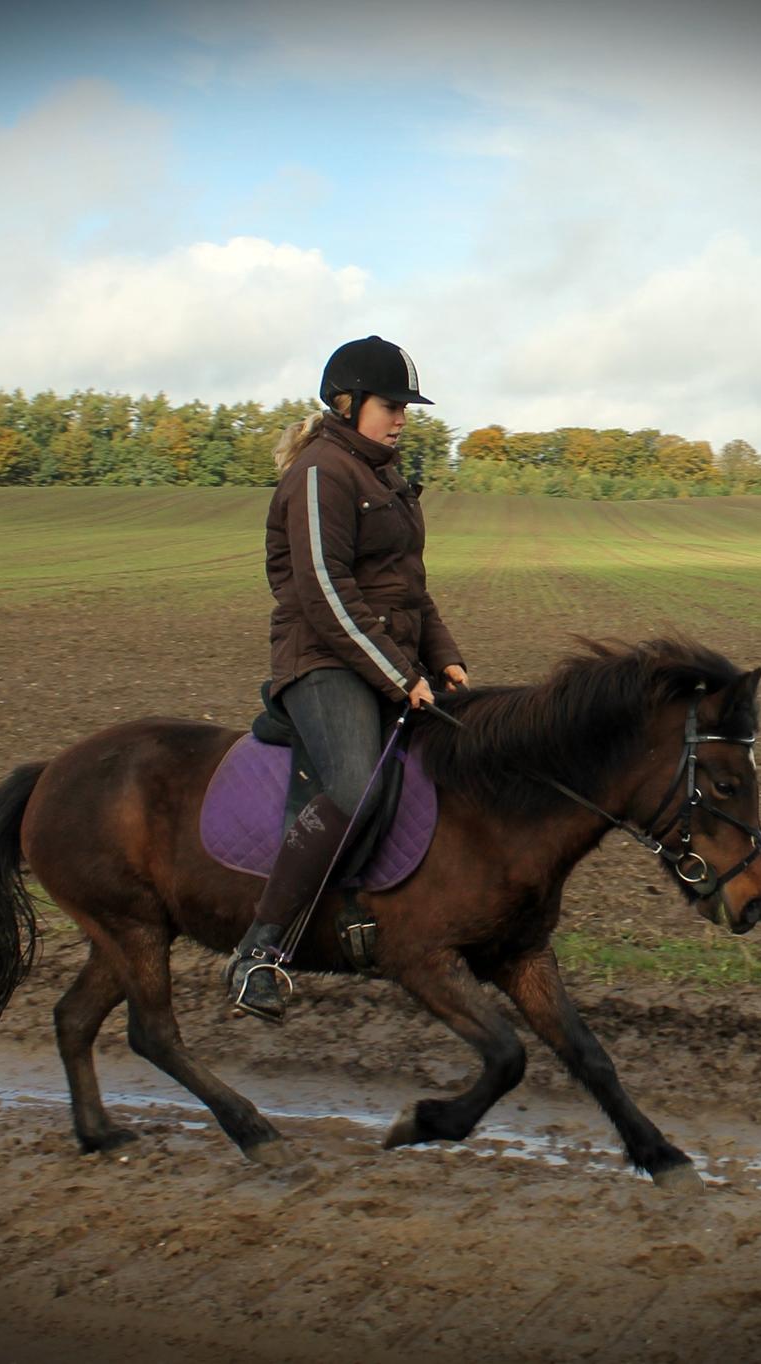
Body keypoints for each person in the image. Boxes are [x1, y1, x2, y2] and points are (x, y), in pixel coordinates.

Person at [226, 335, 468, 1022]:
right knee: (353, 781)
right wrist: (400, 677)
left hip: (381, 657)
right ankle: (260, 950)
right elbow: (325, 593)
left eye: (405, 408)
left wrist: (443, 656)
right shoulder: (319, 473)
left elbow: (409, 588)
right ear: (347, 401)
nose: (401, 419)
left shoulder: (386, 477)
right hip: (321, 660)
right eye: (391, 405)